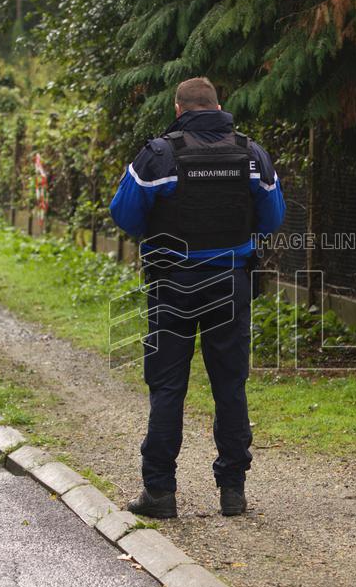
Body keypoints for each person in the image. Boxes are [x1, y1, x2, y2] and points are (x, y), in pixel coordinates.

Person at [109, 77, 285, 518]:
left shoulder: (159, 155)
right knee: (230, 385)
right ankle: (232, 491)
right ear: (219, 105)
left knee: (168, 386)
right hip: (230, 282)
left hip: (172, 284)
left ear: (178, 110)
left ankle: (160, 492)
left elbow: (124, 215)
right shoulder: (251, 154)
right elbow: (273, 216)